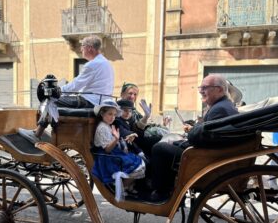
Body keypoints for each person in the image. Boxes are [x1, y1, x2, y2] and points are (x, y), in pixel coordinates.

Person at [149, 74, 239, 202]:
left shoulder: (220, 109)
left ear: (219, 89)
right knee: (165, 142)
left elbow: (202, 138)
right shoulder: (224, 106)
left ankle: (161, 192)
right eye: (200, 87)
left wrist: (188, 136)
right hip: (211, 152)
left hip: (206, 157)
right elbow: (208, 134)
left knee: (159, 148)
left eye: (205, 88)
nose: (201, 91)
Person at [19, 35, 114, 144]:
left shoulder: (92, 64)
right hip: (100, 102)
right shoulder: (106, 63)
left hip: (89, 102)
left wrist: (56, 90)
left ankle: (37, 133)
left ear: (90, 48)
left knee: (49, 99)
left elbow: (75, 86)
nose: (81, 49)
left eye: (82, 46)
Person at [92, 99, 145, 201]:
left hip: (114, 151)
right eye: (109, 114)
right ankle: (122, 187)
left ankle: (129, 186)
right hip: (107, 157)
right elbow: (107, 149)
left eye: (114, 115)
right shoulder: (102, 128)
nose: (112, 117)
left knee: (137, 160)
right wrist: (116, 139)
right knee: (137, 165)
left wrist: (120, 139)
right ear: (102, 114)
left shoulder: (107, 125)